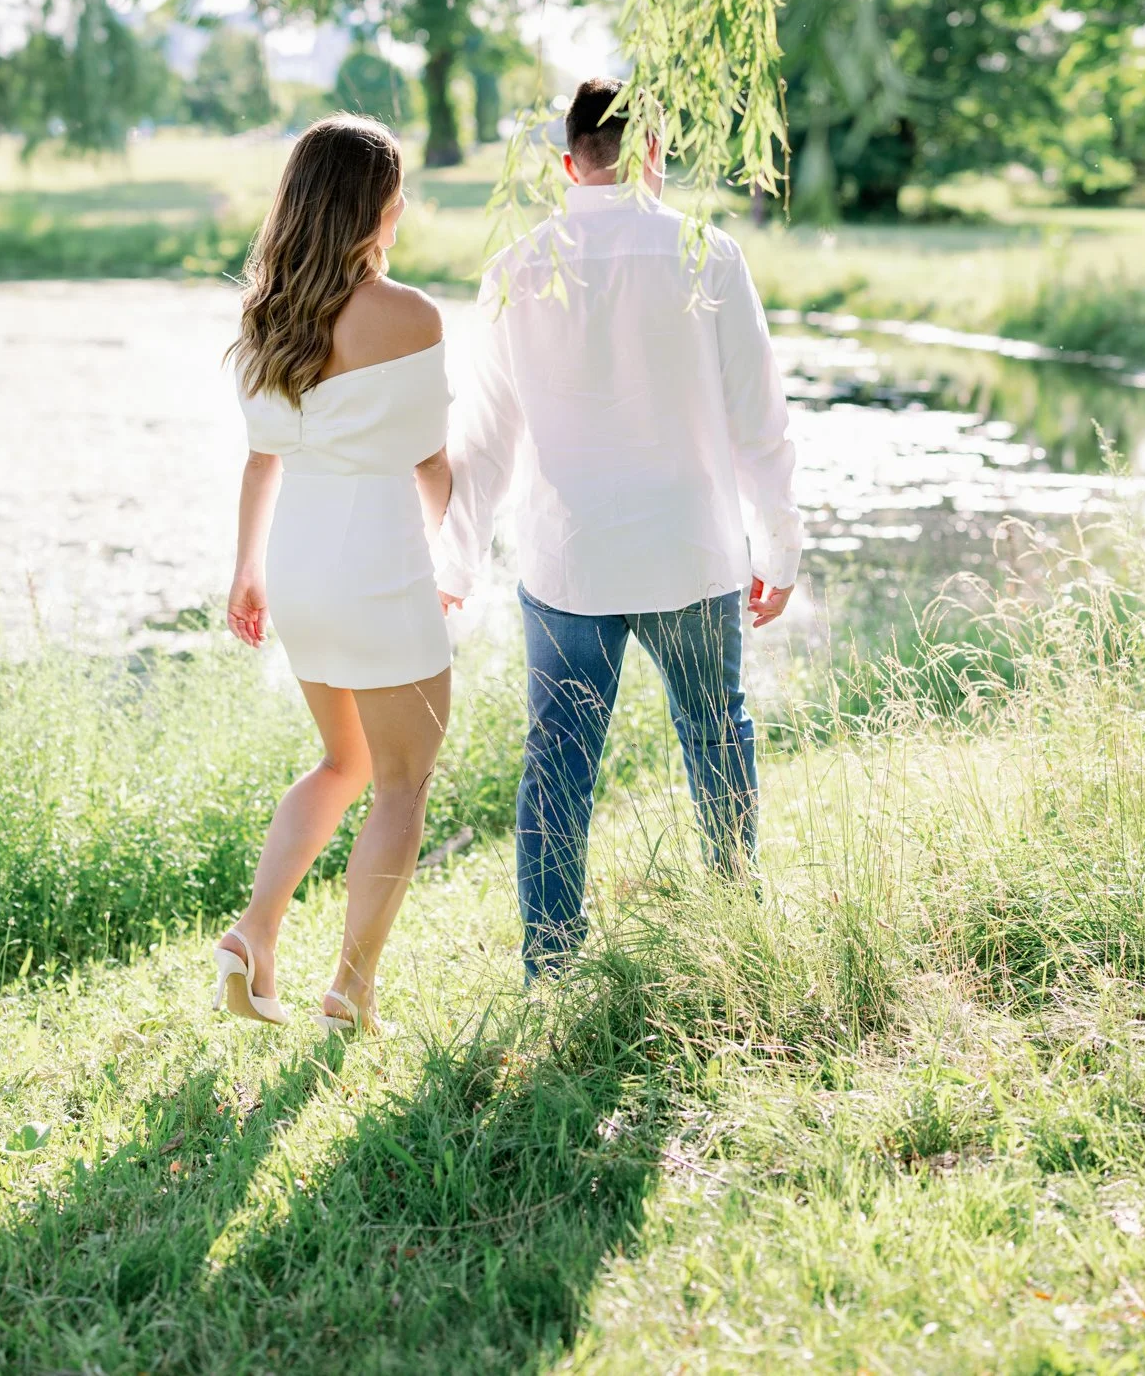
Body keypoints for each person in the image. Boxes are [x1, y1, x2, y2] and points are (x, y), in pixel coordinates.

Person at [436, 77, 803, 976]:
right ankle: (738, 936)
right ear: (654, 154)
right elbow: (760, 421)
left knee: (558, 762)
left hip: (571, 559)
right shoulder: (708, 254)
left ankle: (552, 966)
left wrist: (455, 564)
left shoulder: (516, 268)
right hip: (691, 550)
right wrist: (780, 547)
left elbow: (484, 440)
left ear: (569, 165)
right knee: (715, 737)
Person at [214, 114, 456, 1034]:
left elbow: (260, 460)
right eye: (397, 195)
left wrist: (246, 570)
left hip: (298, 566)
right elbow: (430, 463)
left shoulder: (266, 316)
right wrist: (453, 550)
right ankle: (351, 989)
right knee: (401, 780)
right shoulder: (412, 316)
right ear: (372, 207)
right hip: (376, 564)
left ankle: (255, 934)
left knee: (341, 761)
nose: (404, 209)